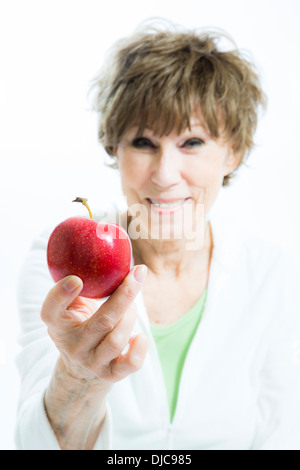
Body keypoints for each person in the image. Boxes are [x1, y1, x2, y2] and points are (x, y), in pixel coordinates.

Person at [15, 20, 300, 450]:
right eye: (144, 142)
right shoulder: (60, 263)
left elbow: (284, 435)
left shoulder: (273, 276)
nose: (165, 176)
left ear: (233, 152)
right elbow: (34, 443)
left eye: (192, 142)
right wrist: (77, 378)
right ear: (116, 148)